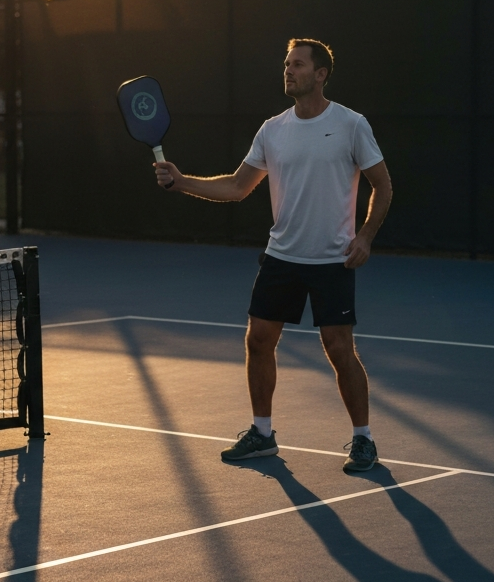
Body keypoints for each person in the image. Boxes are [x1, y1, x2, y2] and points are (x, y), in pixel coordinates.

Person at [153, 38, 393, 473]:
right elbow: (237, 186)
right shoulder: (272, 129)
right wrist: (183, 181)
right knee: (258, 341)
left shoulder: (351, 124)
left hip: (332, 260)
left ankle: (364, 440)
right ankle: (262, 434)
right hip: (281, 257)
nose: (288, 71)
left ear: (320, 74)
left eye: (298, 65)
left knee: (339, 349)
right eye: (286, 64)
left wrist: (366, 235)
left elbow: (383, 184)